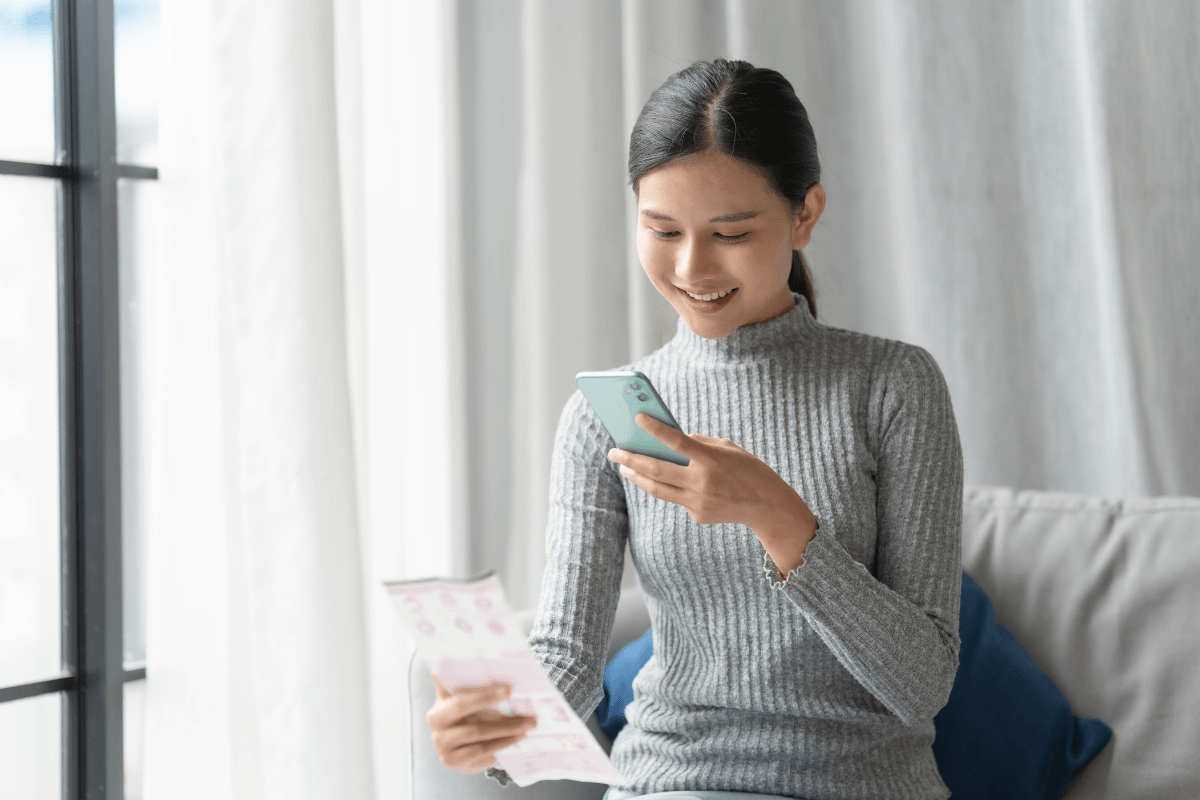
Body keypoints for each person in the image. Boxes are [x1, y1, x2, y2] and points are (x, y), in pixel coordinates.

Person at [426, 58, 963, 800]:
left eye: (731, 232)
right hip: (670, 784)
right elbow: (569, 657)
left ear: (805, 213)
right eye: (662, 229)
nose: (691, 266)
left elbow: (923, 684)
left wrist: (776, 516)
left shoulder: (893, 387)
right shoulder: (603, 417)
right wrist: (499, 727)